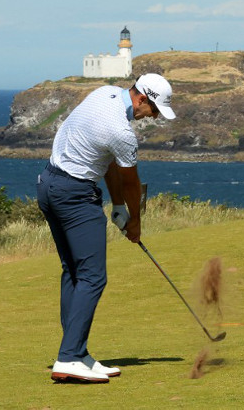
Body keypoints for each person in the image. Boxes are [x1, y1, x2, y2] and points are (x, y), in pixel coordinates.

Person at [36, 73, 176, 383]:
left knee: (73, 271)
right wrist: (135, 225)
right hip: (75, 196)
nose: (151, 118)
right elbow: (131, 182)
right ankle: (69, 357)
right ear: (142, 100)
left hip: (48, 184)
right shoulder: (122, 131)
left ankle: (77, 352)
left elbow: (109, 162)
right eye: (153, 111)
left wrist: (117, 207)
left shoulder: (106, 93)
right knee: (93, 277)